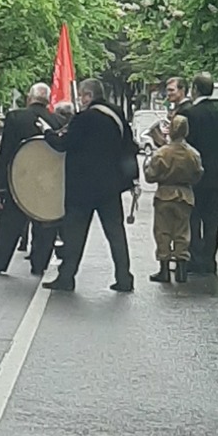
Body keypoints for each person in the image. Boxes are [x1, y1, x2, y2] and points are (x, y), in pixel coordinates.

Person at [50, 78, 138, 295]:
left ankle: (66, 276)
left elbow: (65, 144)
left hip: (82, 188)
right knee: (116, 234)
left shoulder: (84, 118)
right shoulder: (117, 114)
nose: (81, 99)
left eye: (82, 96)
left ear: (88, 96)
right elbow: (129, 145)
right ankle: (124, 277)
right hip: (110, 186)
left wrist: (47, 134)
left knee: (75, 235)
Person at [0, 82, 58, 278]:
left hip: (20, 179)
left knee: (9, 224)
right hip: (47, 183)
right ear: (48, 100)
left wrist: (0, 184)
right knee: (44, 224)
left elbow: (6, 152)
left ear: (29, 98)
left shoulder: (16, 117)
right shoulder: (58, 120)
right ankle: (39, 264)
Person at [181, 73, 218, 274]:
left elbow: (187, 147)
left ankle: (195, 258)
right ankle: (210, 261)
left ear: (195, 89)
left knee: (193, 218)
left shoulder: (190, 114)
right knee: (212, 221)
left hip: (195, 177)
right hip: (216, 177)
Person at [144, 114, 201, 284]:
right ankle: (181, 270)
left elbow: (150, 176)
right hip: (185, 195)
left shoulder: (162, 153)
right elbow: (198, 174)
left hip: (164, 195)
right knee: (182, 232)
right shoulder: (193, 154)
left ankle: (164, 270)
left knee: (163, 232)